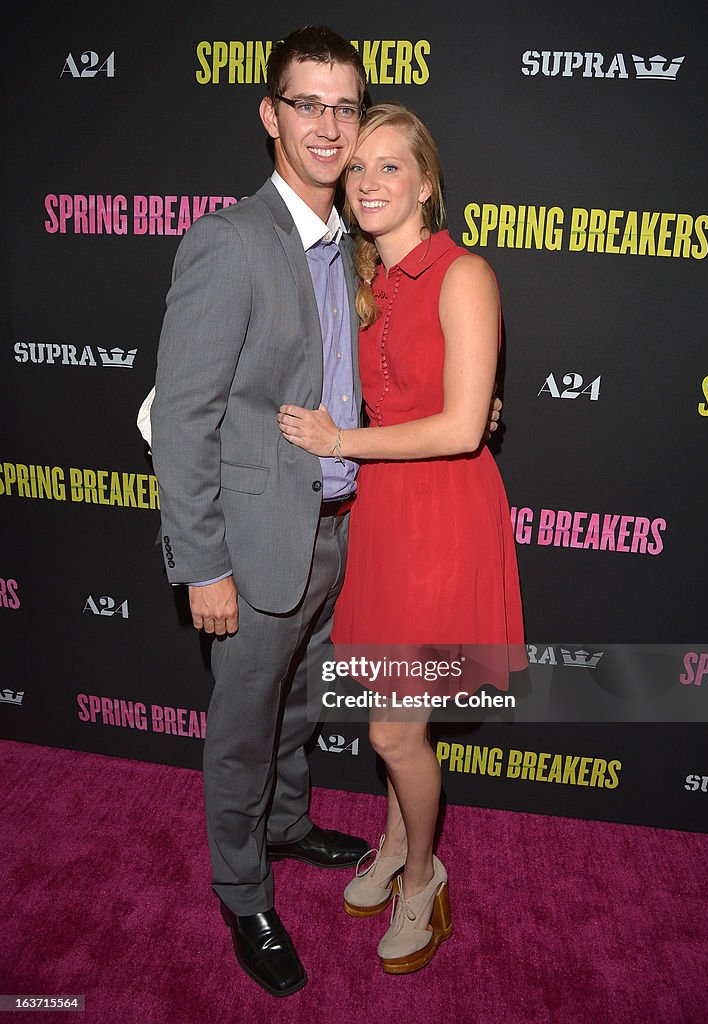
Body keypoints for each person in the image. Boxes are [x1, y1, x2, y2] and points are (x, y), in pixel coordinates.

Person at [151, 27, 502, 997]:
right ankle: (241, 887)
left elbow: (401, 384)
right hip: (258, 542)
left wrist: (471, 403)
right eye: (305, 103)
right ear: (270, 114)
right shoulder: (227, 243)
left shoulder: (359, 250)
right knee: (242, 721)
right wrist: (200, 562)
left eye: (342, 106)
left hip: (352, 529)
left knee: (301, 707)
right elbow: (180, 417)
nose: (326, 124)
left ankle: (289, 822)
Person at [278, 103, 526, 975]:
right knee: (393, 709)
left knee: (390, 731)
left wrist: (339, 441)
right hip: (382, 511)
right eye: (358, 168)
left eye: (392, 166)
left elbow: (462, 428)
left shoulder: (464, 274)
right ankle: (390, 846)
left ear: (426, 183)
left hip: (442, 515)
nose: (371, 181)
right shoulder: (356, 282)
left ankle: (422, 875)